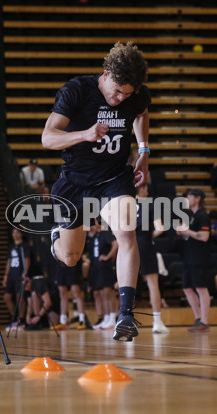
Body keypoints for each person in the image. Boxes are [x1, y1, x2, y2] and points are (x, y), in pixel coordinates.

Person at [41, 41, 150, 342]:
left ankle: (125, 315)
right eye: (117, 91)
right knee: (72, 259)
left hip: (113, 178)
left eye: (127, 94)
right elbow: (47, 138)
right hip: (74, 182)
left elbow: (142, 113)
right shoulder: (76, 91)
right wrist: (84, 134)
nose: (120, 98)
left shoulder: (135, 95)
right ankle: (56, 239)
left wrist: (144, 150)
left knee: (127, 230)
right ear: (105, 74)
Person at [177, 189, 211, 332]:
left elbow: (204, 236)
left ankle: (204, 321)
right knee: (187, 288)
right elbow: (183, 232)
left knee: (201, 288)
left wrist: (187, 231)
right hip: (189, 255)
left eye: (189, 197)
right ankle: (198, 318)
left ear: (197, 199)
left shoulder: (203, 216)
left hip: (199, 256)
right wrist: (180, 230)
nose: (187, 199)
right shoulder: (190, 214)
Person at [135, 183, 169, 333]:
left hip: (129, 246)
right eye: (146, 188)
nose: (148, 191)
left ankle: (126, 320)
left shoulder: (126, 203)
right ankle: (157, 321)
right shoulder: (150, 206)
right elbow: (160, 228)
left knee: (127, 284)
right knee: (153, 283)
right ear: (140, 189)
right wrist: (148, 236)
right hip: (145, 244)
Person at [86, 223, 119, 330]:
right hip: (96, 267)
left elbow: (115, 244)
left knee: (108, 292)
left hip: (105, 266)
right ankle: (106, 317)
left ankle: (113, 318)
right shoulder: (96, 235)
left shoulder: (105, 233)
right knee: (101, 293)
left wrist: (108, 256)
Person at [3, 228, 31, 330]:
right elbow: (9, 262)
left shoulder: (25, 246)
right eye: (13, 232)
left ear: (21, 234)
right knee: (7, 297)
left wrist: (25, 272)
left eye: (17, 232)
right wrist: (6, 276)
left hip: (20, 275)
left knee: (20, 298)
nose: (15, 234)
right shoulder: (11, 247)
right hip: (11, 275)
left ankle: (21, 319)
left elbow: (27, 260)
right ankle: (14, 318)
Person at [54, 261, 87, 330]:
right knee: (62, 293)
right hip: (61, 264)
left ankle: (82, 320)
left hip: (72, 263)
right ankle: (63, 321)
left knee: (76, 292)